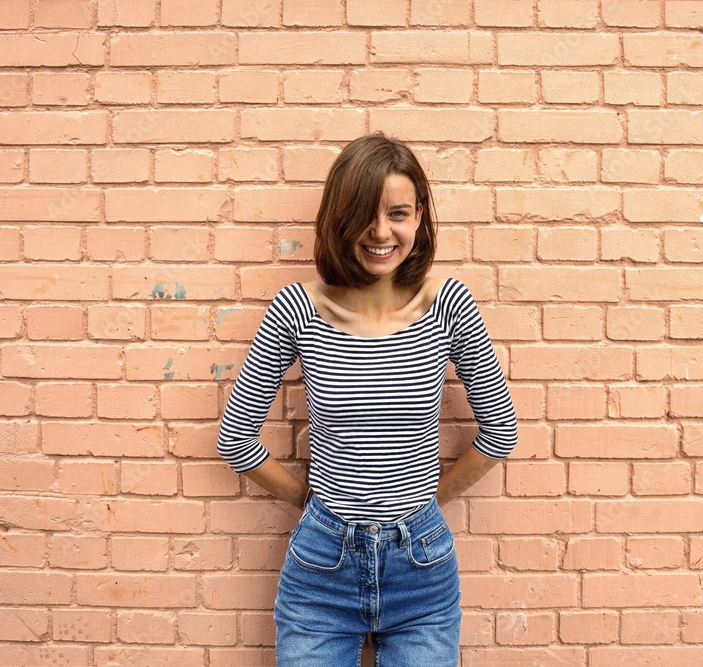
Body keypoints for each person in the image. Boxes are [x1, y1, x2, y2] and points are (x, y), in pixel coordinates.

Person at [217, 133, 518, 666]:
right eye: (363, 214)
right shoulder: (297, 308)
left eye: (398, 213)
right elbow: (236, 441)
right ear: (338, 218)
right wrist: (315, 508)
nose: (381, 232)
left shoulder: (449, 303)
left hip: (421, 575)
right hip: (321, 576)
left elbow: (501, 435)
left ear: (421, 215)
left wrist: (422, 510)